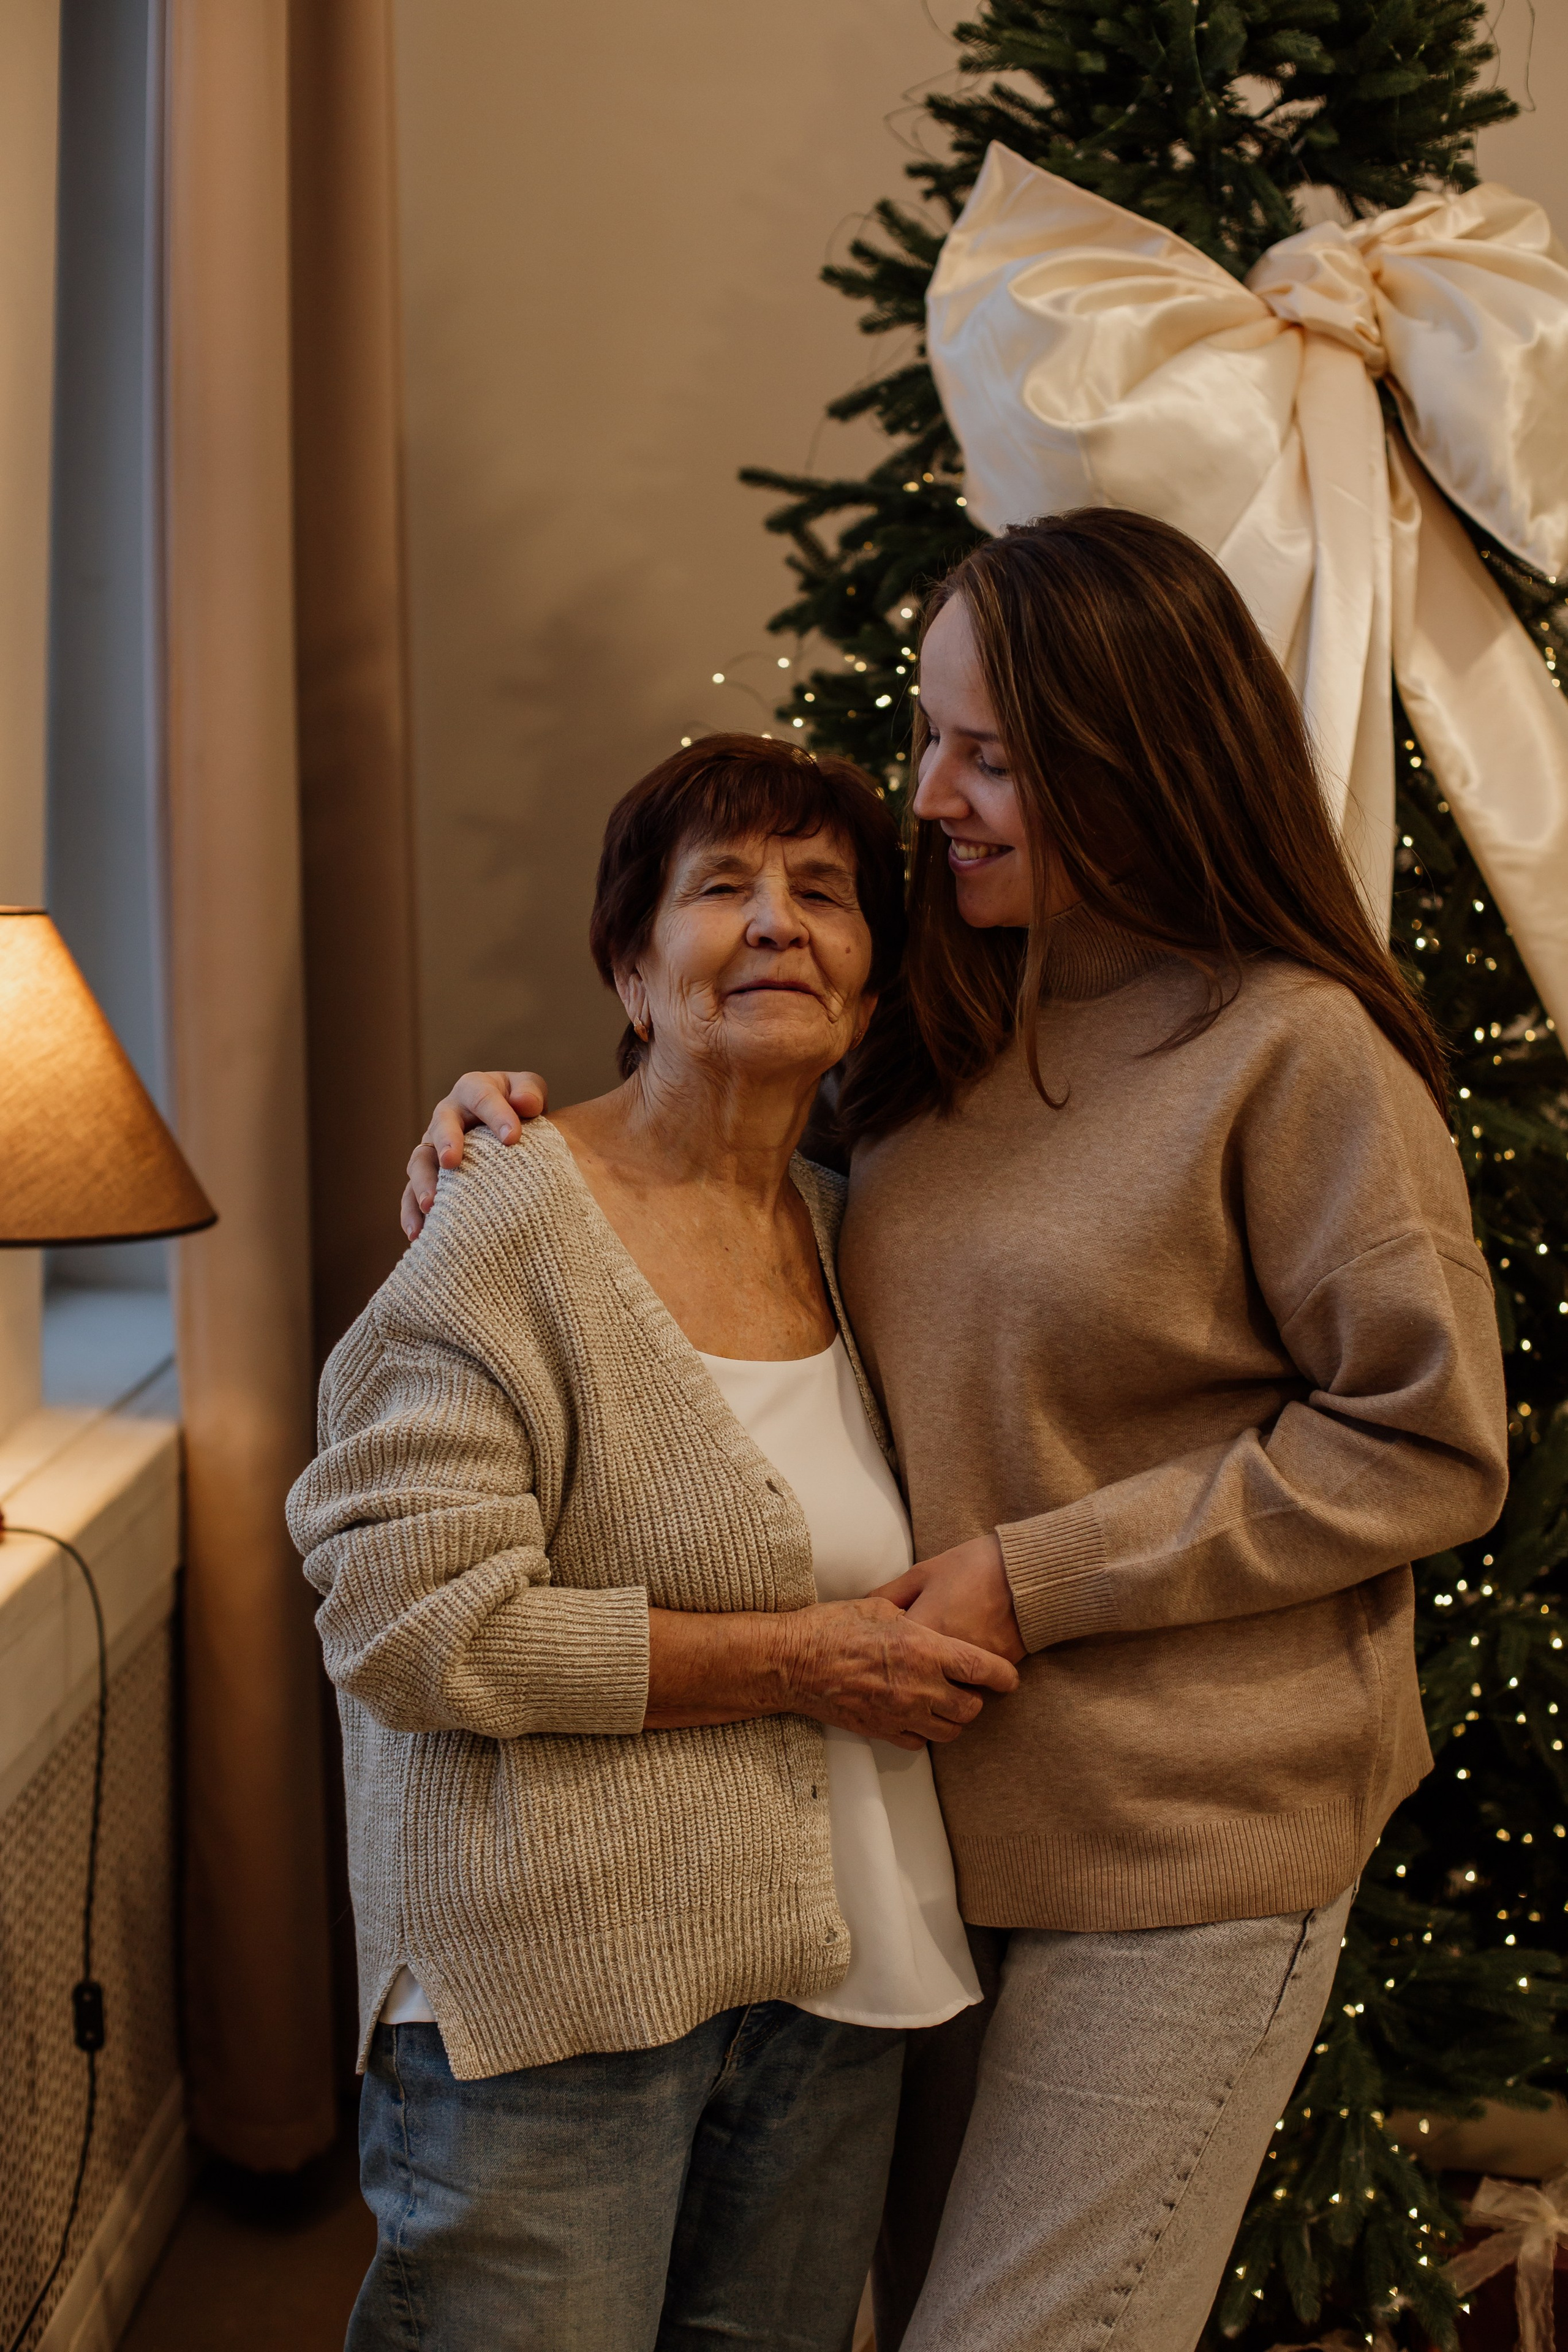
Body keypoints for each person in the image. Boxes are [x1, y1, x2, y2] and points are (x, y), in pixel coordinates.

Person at [405, 510, 1509, 2352]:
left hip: (1188, 1848)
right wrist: (499, 1129)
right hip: (923, 1844)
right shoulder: (937, 1027)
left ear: (1139, 748)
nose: (934, 796)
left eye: (990, 753)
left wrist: (1035, 1576)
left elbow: (1427, 1441)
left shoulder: (1295, 1053)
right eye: (932, 738)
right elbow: (718, 1193)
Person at [287, 735, 1017, 2352]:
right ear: (630, 967)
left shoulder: (860, 1233)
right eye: (723, 889)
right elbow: (408, 1618)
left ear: (872, 992)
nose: (778, 923)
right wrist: (801, 1663)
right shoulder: (506, 1221)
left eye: (824, 894)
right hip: (558, 2010)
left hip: (836, 1991)